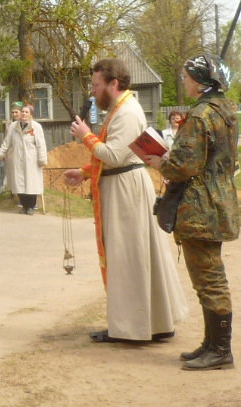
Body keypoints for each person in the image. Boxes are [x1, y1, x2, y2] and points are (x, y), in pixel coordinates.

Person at [64, 58, 187, 343]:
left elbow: (116, 155)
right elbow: (117, 154)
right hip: (121, 185)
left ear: (113, 83)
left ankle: (133, 326)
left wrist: (86, 136)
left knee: (128, 256)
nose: (93, 91)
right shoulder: (120, 109)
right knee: (132, 255)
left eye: (96, 84)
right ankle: (149, 322)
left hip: (125, 190)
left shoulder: (128, 112)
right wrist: (85, 172)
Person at [143, 54, 237, 370]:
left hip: (200, 205)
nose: (183, 82)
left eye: (185, 77)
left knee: (209, 278)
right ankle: (212, 344)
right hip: (218, 199)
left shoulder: (200, 115)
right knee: (207, 276)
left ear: (198, 82)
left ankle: (220, 350)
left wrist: (160, 162)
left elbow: (183, 166)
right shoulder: (225, 110)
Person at [0, 104, 47, 215]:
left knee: (31, 183)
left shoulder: (36, 127)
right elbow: (6, 143)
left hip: (31, 159)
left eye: (27, 112)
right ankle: (24, 205)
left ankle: (31, 206)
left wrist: (42, 159)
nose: (24, 114)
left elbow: (41, 145)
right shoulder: (13, 127)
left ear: (31, 115)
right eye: (23, 111)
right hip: (17, 158)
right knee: (19, 183)